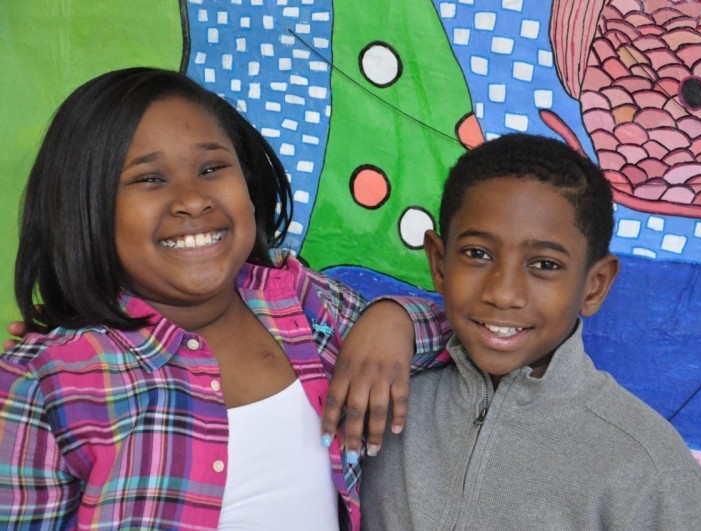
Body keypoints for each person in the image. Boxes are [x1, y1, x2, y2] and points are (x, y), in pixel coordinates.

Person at [0, 67, 451, 530]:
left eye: (212, 168)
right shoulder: (50, 377)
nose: (193, 200)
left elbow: (464, 323)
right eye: (150, 179)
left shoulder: (299, 303)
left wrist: (391, 319)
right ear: (86, 208)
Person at [361, 133, 701, 530]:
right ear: (440, 264)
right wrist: (388, 315)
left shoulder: (648, 471)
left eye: (544, 264)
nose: (503, 293)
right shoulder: (379, 394)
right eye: (478, 254)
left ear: (594, 285)